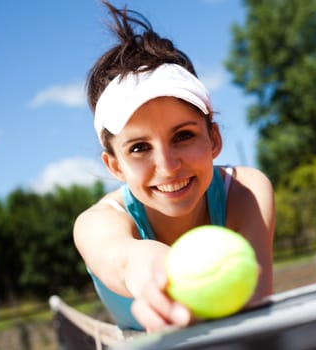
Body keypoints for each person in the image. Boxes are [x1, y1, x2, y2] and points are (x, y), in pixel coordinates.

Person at [73, 1, 275, 334]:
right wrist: (147, 267)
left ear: (214, 138)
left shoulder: (247, 190)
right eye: (139, 148)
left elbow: (253, 302)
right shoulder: (95, 223)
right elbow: (121, 257)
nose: (167, 166)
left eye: (182, 136)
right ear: (115, 165)